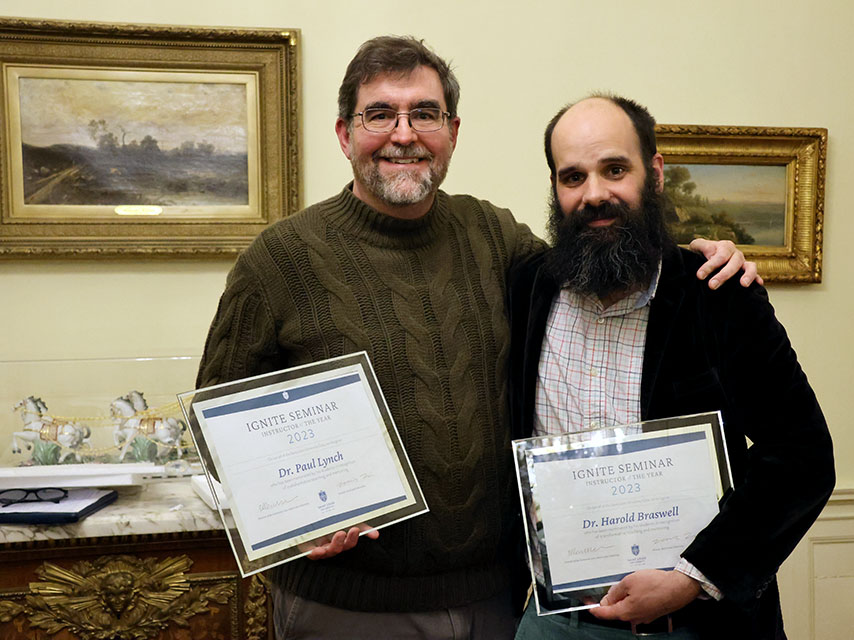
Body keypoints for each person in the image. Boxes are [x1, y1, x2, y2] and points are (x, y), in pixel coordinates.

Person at [196, 37, 756, 640]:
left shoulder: (493, 235)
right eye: (380, 114)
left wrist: (697, 257)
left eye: (425, 114)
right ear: (344, 134)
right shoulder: (278, 260)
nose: (404, 134)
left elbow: (601, 270)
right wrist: (287, 518)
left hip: (498, 600)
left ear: (453, 131)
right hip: (348, 607)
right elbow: (214, 426)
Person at [507, 95, 835, 639]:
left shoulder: (720, 295)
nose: (595, 194)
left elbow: (802, 457)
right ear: (555, 188)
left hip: (699, 620)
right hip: (558, 619)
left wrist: (691, 577)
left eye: (615, 169)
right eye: (573, 177)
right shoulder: (526, 288)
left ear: (654, 173)